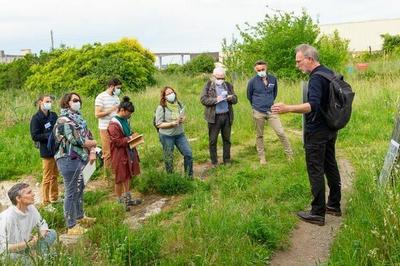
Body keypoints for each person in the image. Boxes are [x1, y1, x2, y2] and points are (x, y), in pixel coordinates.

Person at [271, 44, 342, 226]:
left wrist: (288, 108)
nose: (297, 65)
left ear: (309, 59)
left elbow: (313, 105)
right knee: (330, 165)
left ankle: (318, 212)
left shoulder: (316, 78)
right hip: (330, 128)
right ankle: (333, 205)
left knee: (315, 169)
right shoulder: (328, 72)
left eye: (299, 61)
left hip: (317, 131)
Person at [55, 92, 97, 235]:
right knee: (71, 192)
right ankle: (71, 226)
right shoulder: (63, 120)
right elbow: (76, 140)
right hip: (68, 160)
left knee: (80, 189)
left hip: (81, 158)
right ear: (67, 103)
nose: (78, 102)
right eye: (75, 100)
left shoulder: (79, 119)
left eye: (79, 100)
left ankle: (80, 217)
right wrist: (93, 143)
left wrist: (91, 149)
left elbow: (88, 134)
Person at [247, 60, 293, 165]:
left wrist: (269, 102)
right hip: (258, 111)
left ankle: (290, 155)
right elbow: (249, 96)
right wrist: (256, 106)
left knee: (281, 132)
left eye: (262, 69)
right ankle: (262, 157)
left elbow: (274, 93)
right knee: (259, 135)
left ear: (266, 68)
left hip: (272, 110)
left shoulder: (273, 79)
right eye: (258, 70)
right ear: (255, 70)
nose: (261, 71)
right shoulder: (252, 82)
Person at [0, 183, 57, 262]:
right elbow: (3, 248)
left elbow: (43, 226)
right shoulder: (7, 218)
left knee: (52, 233)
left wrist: (37, 236)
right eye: (29, 192)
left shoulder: (31, 208)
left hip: (28, 244)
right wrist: (28, 244)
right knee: (26, 261)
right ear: (18, 198)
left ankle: (42, 259)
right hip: (9, 252)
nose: (33, 194)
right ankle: (36, 259)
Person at [108, 96, 142, 211]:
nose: (130, 115)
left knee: (128, 175)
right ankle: (119, 202)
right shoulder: (114, 124)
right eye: (128, 113)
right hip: (119, 154)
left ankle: (127, 198)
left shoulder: (125, 120)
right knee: (119, 177)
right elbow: (117, 142)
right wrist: (130, 137)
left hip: (128, 152)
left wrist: (134, 135)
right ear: (122, 110)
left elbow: (128, 132)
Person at [200, 67, 237, 166]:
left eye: (222, 78)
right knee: (213, 140)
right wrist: (216, 99)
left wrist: (230, 98)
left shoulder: (228, 85)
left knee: (227, 139)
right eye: (218, 77)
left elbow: (235, 100)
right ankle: (214, 161)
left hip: (227, 116)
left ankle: (227, 160)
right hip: (214, 117)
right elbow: (203, 99)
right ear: (213, 76)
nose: (220, 80)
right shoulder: (208, 85)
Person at [155, 86, 193, 177]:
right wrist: (171, 124)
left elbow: (183, 115)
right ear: (164, 96)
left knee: (188, 154)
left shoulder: (179, 104)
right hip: (167, 136)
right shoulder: (161, 107)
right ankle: (170, 177)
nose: (171, 95)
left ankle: (189, 177)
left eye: (172, 92)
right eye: (168, 94)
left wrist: (183, 119)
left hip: (180, 134)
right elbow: (158, 124)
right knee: (169, 157)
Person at [30, 95, 59, 206]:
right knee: (47, 177)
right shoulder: (36, 118)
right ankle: (45, 202)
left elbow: (58, 128)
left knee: (55, 175)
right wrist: (49, 136)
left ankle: (54, 197)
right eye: (47, 101)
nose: (49, 103)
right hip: (46, 150)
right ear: (40, 102)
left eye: (50, 101)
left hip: (56, 149)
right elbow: (35, 136)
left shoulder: (53, 115)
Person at [95, 78, 122, 176]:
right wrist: (111, 109)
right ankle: (108, 177)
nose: (119, 90)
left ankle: (116, 174)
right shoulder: (101, 97)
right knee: (108, 153)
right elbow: (97, 114)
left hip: (116, 128)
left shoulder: (116, 97)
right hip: (105, 128)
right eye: (118, 88)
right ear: (111, 86)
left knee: (116, 151)